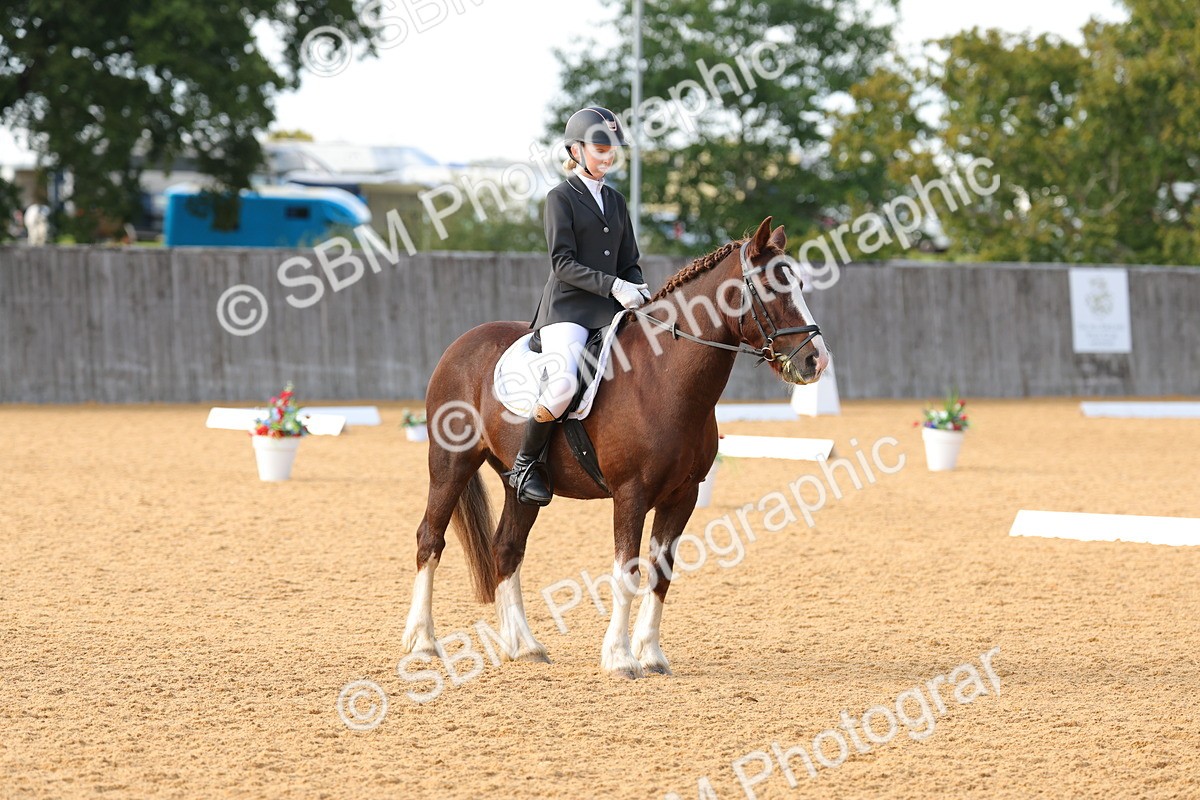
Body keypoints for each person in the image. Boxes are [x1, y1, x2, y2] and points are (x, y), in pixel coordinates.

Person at [506, 106, 651, 506]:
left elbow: (629, 261)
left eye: (612, 150)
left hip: (612, 309)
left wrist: (638, 287)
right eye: (600, 148)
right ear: (575, 149)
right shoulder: (560, 198)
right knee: (562, 386)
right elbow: (563, 264)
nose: (608, 156)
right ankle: (524, 463)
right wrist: (614, 285)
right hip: (568, 310)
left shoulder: (617, 201)